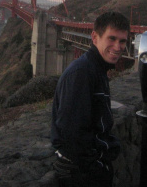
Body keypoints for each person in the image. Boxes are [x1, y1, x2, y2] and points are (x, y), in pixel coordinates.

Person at [51, 11, 130, 187]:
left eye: (122, 41)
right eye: (111, 39)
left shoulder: (96, 69)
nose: (117, 47)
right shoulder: (82, 73)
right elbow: (71, 134)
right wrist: (97, 163)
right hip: (80, 174)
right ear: (94, 37)